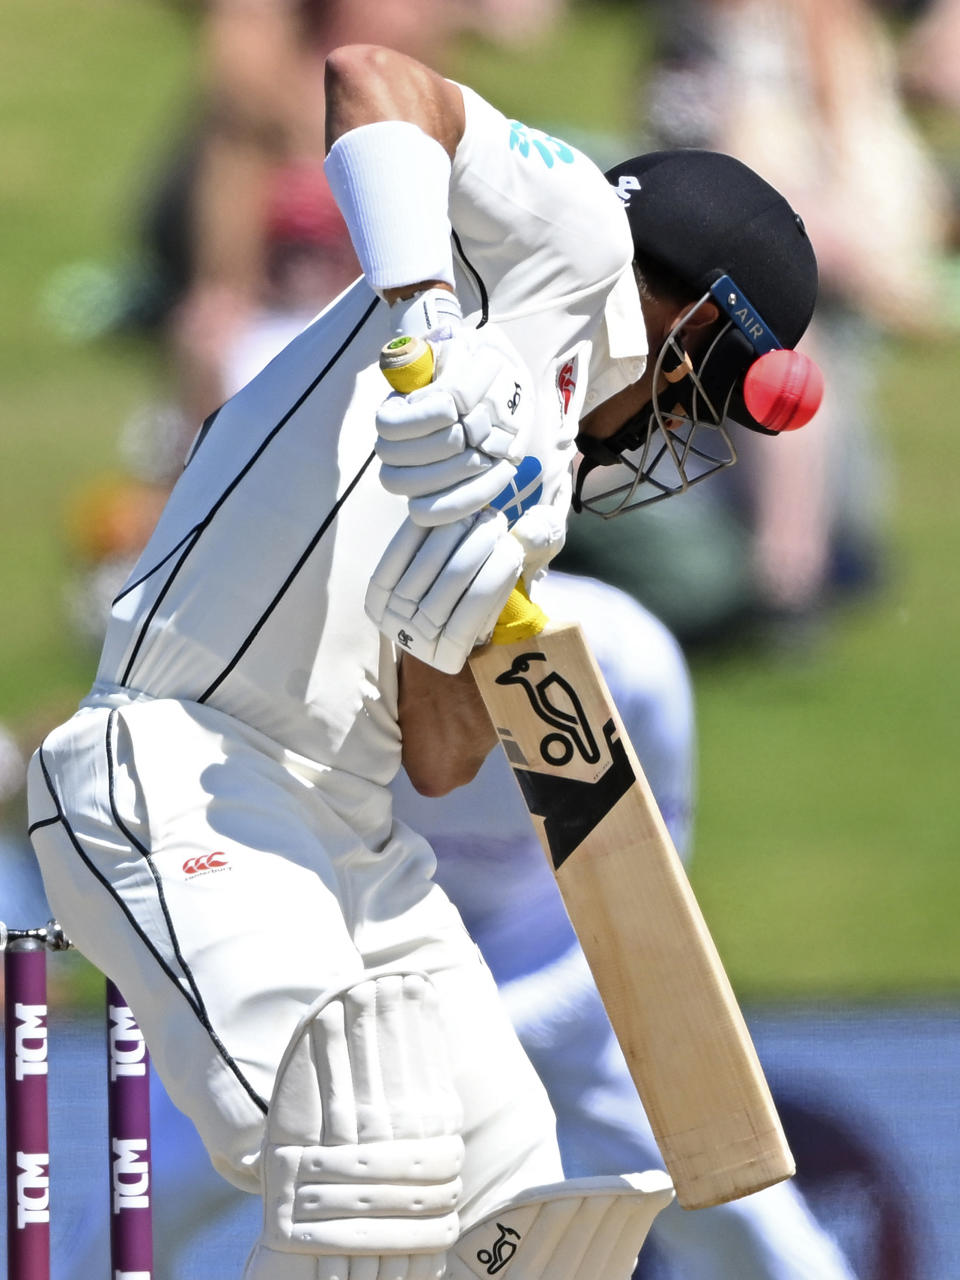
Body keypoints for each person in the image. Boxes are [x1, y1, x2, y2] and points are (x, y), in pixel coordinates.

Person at [26, 42, 819, 1279]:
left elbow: (440, 757)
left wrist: (469, 567)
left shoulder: (543, 468)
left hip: (361, 843)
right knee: (365, 1154)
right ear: (706, 327)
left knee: (524, 1214)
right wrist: (424, 327)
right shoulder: (562, 235)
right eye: (694, 400)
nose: (675, 431)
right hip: (185, 763)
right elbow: (371, 76)